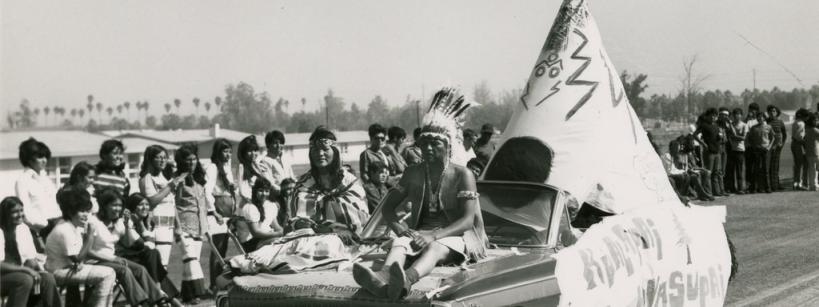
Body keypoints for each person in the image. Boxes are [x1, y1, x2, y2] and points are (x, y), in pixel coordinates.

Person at [353, 87, 488, 300]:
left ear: (448, 145)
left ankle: (406, 279)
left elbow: (467, 221)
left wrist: (432, 235)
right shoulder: (413, 172)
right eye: (424, 143)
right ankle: (382, 278)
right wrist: (400, 229)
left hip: (454, 236)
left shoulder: (464, 175)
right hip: (419, 233)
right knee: (399, 244)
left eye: (435, 143)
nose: (428, 148)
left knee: (434, 247)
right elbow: (388, 207)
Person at [88, 189, 171, 307]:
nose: (117, 209)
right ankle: (141, 303)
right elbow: (87, 251)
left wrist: (127, 226)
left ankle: (159, 300)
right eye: (114, 205)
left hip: (111, 259)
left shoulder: (117, 223)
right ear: (105, 206)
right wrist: (113, 259)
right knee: (124, 270)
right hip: (95, 261)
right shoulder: (94, 222)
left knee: (140, 269)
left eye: (120, 205)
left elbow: (128, 243)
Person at [291, 127, 370, 240]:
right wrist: (328, 228)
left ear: (335, 152)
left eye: (325, 149)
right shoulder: (304, 184)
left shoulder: (350, 182)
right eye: (315, 150)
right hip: (313, 240)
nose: (320, 154)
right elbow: (298, 220)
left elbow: (361, 218)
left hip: (351, 239)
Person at [45, 187, 116, 307]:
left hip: (69, 268)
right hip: (58, 272)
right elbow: (78, 258)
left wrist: (78, 262)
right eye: (82, 211)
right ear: (70, 212)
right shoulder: (64, 229)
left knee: (109, 272)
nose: (86, 215)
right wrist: (89, 237)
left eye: (87, 211)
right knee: (107, 274)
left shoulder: (72, 226)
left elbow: (77, 258)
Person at [121, 193, 181, 305]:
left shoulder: (149, 222)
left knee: (153, 256)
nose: (145, 208)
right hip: (128, 259)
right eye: (140, 205)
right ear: (133, 207)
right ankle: (164, 295)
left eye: (147, 204)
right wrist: (139, 224)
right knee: (153, 256)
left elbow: (150, 246)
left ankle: (163, 296)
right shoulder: (127, 222)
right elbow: (144, 246)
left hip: (144, 259)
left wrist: (143, 225)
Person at [0, 196, 61, 307]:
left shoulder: (23, 228)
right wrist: (26, 270)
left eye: (21, 210)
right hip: (3, 276)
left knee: (47, 278)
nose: (20, 215)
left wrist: (37, 268)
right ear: (5, 214)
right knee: (25, 280)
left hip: (18, 272)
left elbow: (30, 258)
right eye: (15, 212)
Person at [138, 145, 187, 267]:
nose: (163, 160)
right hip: (156, 226)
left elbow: (172, 204)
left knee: (163, 265)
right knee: (159, 266)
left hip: (168, 226)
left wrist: (178, 226)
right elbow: (152, 201)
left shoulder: (165, 178)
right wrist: (171, 186)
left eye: (165, 157)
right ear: (150, 159)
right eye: (159, 157)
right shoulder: (147, 178)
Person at [173, 145, 209, 304]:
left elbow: (202, 205)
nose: (191, 162)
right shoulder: (178, 181)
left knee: (191, 262)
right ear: (181, 162)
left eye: (194, 159)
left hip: (198, 227)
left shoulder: (199, 179)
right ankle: (201, 290)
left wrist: (206, 228)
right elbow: (173, 205)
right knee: (191, 259)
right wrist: (177, 228)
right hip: (183, 226)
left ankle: (187, 296)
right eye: (187, 160)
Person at [203, 138, 235, 289]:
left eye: (229, 151)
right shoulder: (213, 168)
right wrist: (213, 211)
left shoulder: (227, 168)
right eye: (225, 151)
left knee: (223, 249)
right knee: (217, 249)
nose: (228, 154)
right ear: (218, 152)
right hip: (218, 213)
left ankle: (219, 281)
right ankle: (213, 284)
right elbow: (207, 191)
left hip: (228, 213)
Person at [15, 138, 61, 235]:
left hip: (58, 224)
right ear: (29, 159)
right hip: (42, 230)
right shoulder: (23, 181)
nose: (44, 160)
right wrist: (46, 226)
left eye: (46, 157)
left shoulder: (46, 179)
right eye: (40, 157)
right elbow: (25, 212)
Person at [236, 178, 283, 252]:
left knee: (289, 240)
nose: (264, 194)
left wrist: (283, 232)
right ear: (255, 191)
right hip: (251, 243)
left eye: (266, 191)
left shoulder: (271, 205)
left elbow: (276, 226)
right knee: (278, 242)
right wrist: (277, 234)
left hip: (267, 237)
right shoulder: (250, 207)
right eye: (261, 191)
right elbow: (256, 233)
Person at [695, 108, 728, 197]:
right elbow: (695, 135)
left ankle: (717, 191)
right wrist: (703, 144)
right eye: (712, 115)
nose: (714, 117)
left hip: (717, 151)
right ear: (708, 116)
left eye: (715, 115)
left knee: (716, 172)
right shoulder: (704, 125)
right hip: (709, 152)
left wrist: (720, 136)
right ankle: (708, 193)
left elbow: (718, 138)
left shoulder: (716, 126)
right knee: (708, 173)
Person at [747, 111, 775, 193]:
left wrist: (769, 147)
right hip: (756, 150)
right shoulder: (753, 128)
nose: (760, 118)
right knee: (756, 169)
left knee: (765, 169)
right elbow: (749, 138)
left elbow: (773, 138)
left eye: (762, 117)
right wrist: (753, 146)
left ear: (764, 118)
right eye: (758, 117)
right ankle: (755, 188)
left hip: (766, 150)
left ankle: (767, 187)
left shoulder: (768, 127)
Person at [262, 130, 295, 195]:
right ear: (268, 145)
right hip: (277, 196)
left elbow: (292, 178)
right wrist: (283, 190)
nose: (278, 145)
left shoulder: (285, 159)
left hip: (290, 194)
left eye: (281, 143)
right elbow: (269, 183)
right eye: (275, 143)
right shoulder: (265, 161)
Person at [726, 108, 748, 194]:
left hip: (740, 150)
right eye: (735, 114)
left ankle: (740, 188)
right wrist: (736, 136)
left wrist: (735, 136)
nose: (736, 116)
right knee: (731, 170)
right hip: (732, 149)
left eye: (738, 114)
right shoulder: (730, 125)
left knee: (739, 170)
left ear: (741, 115)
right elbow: (730, 136)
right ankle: (732, 188)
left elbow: (743, 138)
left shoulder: (744, 125)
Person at [766, 105, 787, 191]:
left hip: (777, 147)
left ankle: (776, 184)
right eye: (770, 111)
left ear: (777, 112)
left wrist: (781, 145)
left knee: (775, 166)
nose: (772, 112)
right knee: (769, 166)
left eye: (774, 111)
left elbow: (784, 134)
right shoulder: (766, 121)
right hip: (768, 147)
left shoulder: (780, 122)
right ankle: (771, 185)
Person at [792, 109, 809, 190]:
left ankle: (796, 182)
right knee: (802, 164)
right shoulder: (802, 123)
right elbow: (798, 136)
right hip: (799, 144)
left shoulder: (795, 122)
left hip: (794, 144)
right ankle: (800, 183)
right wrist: (804, 142)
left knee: (797, 164)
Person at [805, 114, 819, 191]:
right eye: (816, 120)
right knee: (815, 169)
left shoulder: (807, 129)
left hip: (809, 152)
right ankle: (814, 185)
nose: (817, 121)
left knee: (812, 168)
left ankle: (812, 185)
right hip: (815, 151)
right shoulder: (815, 130)